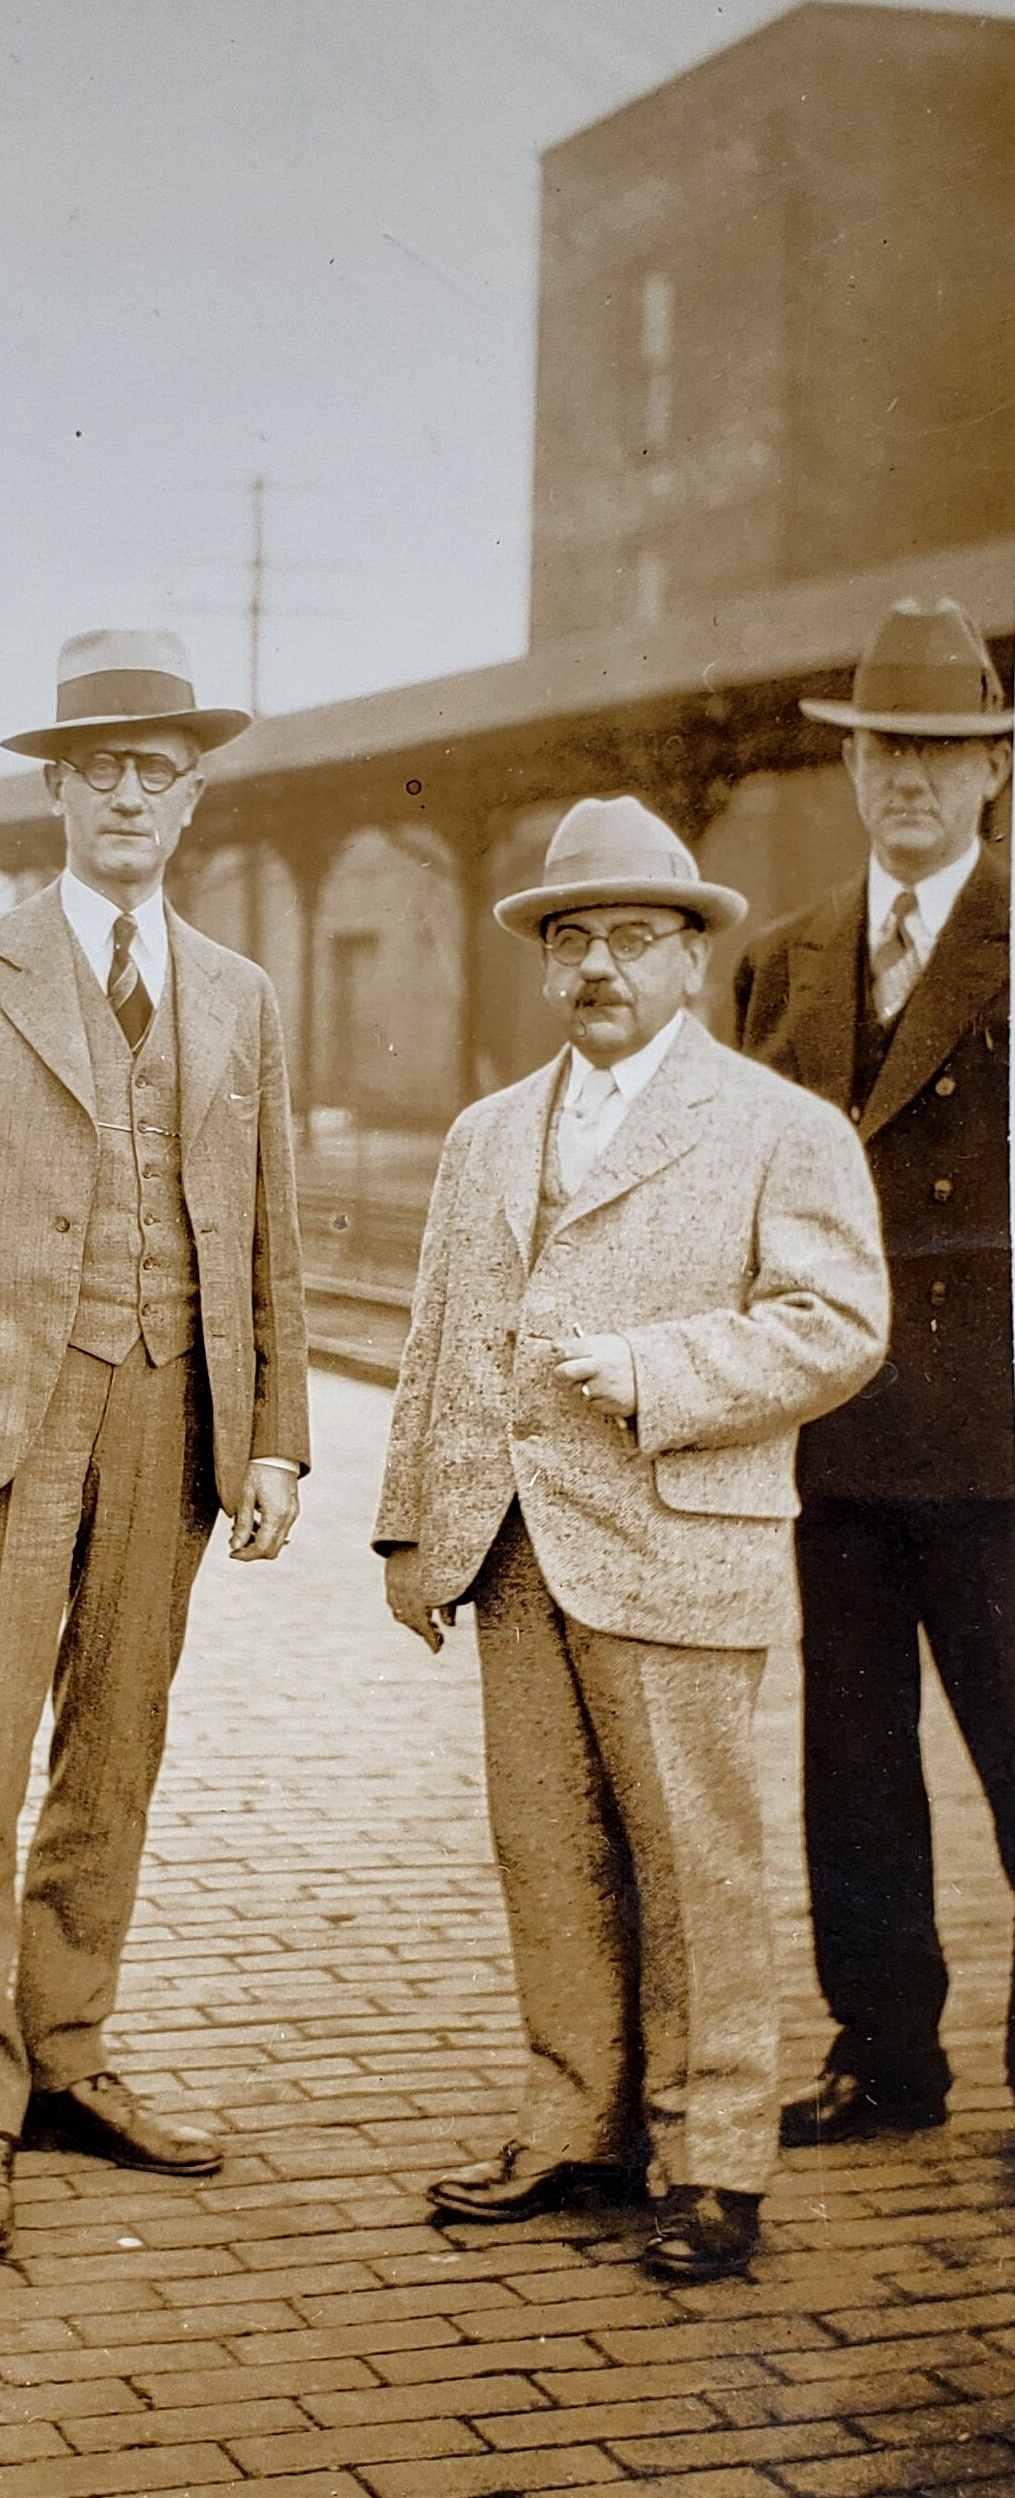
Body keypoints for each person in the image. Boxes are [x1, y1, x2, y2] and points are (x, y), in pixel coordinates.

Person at [0, 628, 308, 2261]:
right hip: (2, 1427)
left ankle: (69, 2059)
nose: (131, 796)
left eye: (159, 772)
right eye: (102, 769)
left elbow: (271, 1244)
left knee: (115, 1756)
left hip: (173, 1423)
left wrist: (277, 1440)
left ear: (191, 796)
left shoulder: (238, 998)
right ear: (57, 789)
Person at [376, 797, 888, 2282]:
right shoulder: (486, 1136)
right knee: (547, 1851)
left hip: (677, 1538)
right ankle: (576, 2127)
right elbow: (437, 1341)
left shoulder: (779, 1129)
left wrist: (663, 1373)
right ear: (546, 965)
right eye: (573, 939)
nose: (600, 966)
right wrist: (416, 1530)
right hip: (514, 1551)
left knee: (696, 1862)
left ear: (691, 958)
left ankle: (714, 2164)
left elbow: (838, 1325)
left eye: (634, 939)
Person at [734, 598, 1013, 2148]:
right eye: (885, 749)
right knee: (853, 1771)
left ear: (993, 773)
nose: (910, 777)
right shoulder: (782, 969)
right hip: (831, 1443)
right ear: (853, 771)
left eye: (944, 751)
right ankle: (884, 2057)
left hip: (999, 1445)